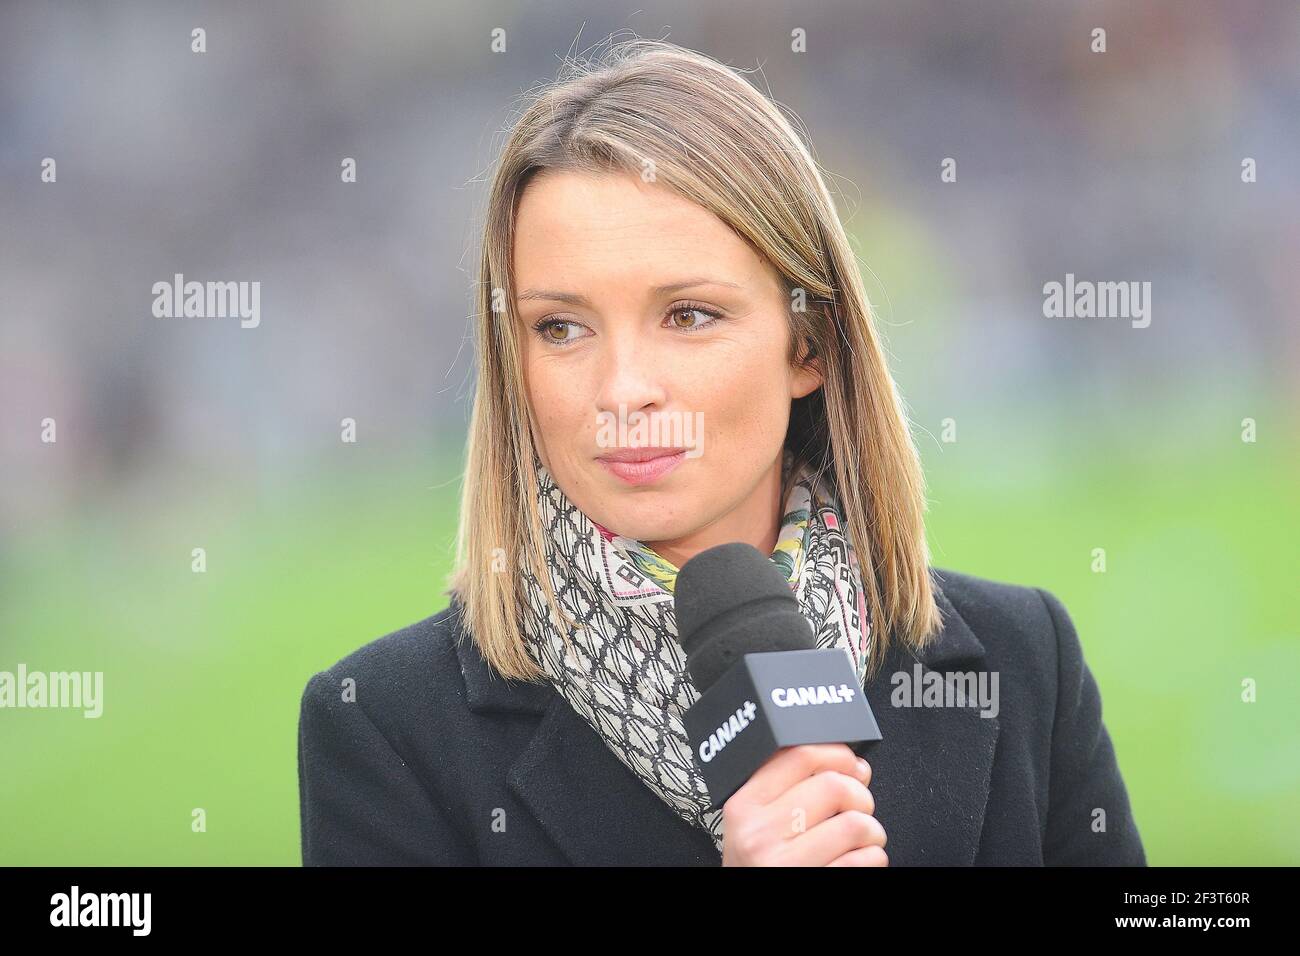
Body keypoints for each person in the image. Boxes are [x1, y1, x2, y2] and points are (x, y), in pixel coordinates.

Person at [297, 38, 1145, 867]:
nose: (624, 388)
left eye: (688, 315)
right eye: (561, 327)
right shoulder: (385, 724)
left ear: (809, 343)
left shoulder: (1024, 660)